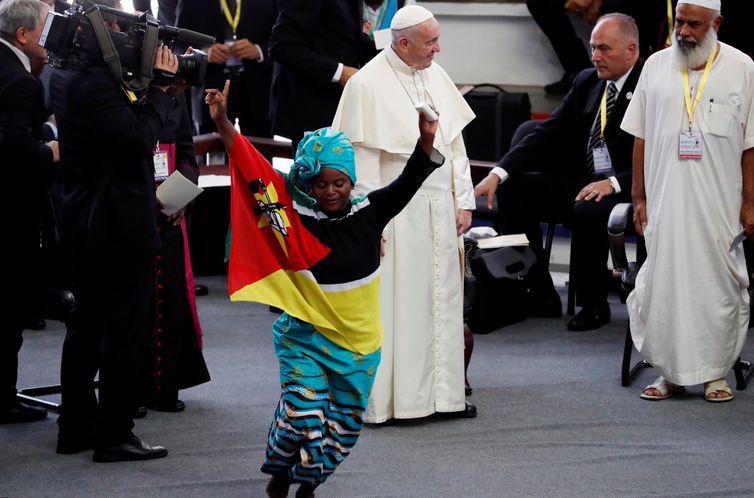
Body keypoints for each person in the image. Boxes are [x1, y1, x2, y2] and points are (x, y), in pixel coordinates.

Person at [206, 78, 444, 497]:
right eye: (321, 183)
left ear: (351, 181)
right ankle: (281, 470)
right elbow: (249, 161)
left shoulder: (371, 213)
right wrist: (224, 122)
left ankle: (307, 483)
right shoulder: (292, 215)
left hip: (358, 345)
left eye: (340, 183)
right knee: (304, 413)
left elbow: (410, 179)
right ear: (307, 182)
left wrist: (426, 137)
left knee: (343, 429)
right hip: (305, 335)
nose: (331, 191)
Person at [332, 5, 477, 422]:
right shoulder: (367, 85)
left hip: (441, 210)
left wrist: (463, 200)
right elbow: (360, 160)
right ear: (403, 43)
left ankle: (442, 397)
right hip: (397, 210)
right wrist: (367, 220)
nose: (438, 48)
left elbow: (456, 146)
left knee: (442, 303)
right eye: (430, 41)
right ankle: (397, 401)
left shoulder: (436, 74)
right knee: (399, 306)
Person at [49, 0, 177, 461]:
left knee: (84, 327)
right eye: (121, 30)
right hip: (118, 226)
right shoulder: (97, 85)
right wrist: (161, 90)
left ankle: (76, 426)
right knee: (123, 330)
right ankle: (114, 433)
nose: (129, 39)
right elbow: (139, 141)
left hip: (85, 220)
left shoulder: (65, 77)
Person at [621, 0, 754, 402]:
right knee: (665, 285)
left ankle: (715, 373)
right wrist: (638, 196)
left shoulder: (742, 67)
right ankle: (669, 373)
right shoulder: (656, 65)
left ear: (717, 23)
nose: (684, 32)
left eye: (694, 24)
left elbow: (750, 145)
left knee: (715, 286)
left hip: (718, 204)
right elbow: (639, 136)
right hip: (664, 201)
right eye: (680, 22)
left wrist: (750, 203)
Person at [474, 13, 642, 332]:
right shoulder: (587, 80)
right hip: (584, 179)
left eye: (604, 49)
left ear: (631, 50)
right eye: (593, 48)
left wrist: (614, 183)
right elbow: (547, 132)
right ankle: (537, 291)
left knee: (587, 207)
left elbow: (658, 154)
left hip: (630, 186)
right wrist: (498, 173)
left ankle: (594, 304)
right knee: (514, 190)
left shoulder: (651, 85)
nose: (596, 57)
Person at [0, 0, 59, 425]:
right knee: (8, 309)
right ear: (23, 35)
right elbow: (15, 152)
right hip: (10, 213)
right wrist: (51, 151)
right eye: (46, 29)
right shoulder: (21, 82)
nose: (51, 39)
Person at [144, 89, 211, 413]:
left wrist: (181, 195)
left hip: (170, 212)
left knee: (171, 301)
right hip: (135, 212)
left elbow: (187, 153)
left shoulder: (174, 95)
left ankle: (165, 385)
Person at [268, 0, 375, 152]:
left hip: (339, 111)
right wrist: (339, 72)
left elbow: (349, 39)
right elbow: (282, 45)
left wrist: (395, 46)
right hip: (311, 113)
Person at [176, 0, 277, 136]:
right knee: (210, 153)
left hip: (257, 92)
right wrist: (205, 53)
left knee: (259, 153)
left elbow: (282, 39)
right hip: (210, 92)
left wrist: (259, 51)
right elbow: (178, 43)